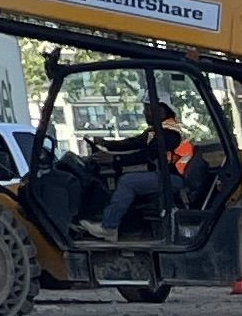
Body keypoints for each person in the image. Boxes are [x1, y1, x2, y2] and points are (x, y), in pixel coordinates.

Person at [80, 100, 193, 242]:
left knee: (128, 182)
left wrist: (115, 160)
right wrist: (107, 144)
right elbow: (133, 143)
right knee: (126, 177)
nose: (145, 112)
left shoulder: (170, 134)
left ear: (162, 111)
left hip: (173, 178)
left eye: (148, 108)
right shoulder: (158, 130)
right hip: (164, 174)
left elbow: (146, 154)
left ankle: (109, 227)